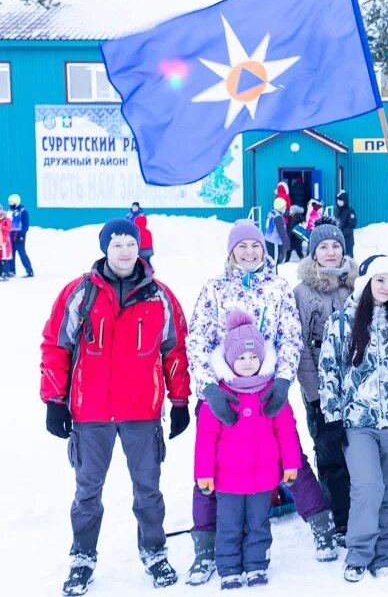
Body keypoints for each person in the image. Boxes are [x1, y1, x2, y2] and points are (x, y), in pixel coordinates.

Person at [40, 218, 190, 595]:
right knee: (87, 491)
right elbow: (55, 346)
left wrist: (179, 400)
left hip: (142, 411)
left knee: (148, 490)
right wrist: (55, 400)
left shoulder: (160, 297)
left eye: (131, 243)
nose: (125, 250)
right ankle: (82, 556)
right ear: (105, 248)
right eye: (117, 243)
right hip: (90, 413)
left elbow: (175, 352)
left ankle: (154, 551)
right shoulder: (80, 293)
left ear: (140, 247)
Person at [184, 220, 337, 586]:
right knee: (209, 470)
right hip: (224, 393)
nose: (250, 253)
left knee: (291, 458)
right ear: (231, 251)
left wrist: (283, 379)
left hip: (267, 390)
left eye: (255, 246)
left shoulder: (278, 288)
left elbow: (290, 336)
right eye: (243, 247)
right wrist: (209, 389)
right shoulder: (215, 289)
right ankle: (205, 548)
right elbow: (197, 341)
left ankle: (320, 524)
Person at [318, 255, 388, 582]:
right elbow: (328, 371)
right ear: (367, 282)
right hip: (357, 421)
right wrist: (333, 418)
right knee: (367, 487)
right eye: (380, 280)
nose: (385, 287)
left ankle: (383, 554)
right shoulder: (341, 321)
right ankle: (359, 553)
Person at [194, 310, 302, 590]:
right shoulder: (220, 395)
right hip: (227, 479)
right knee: (228, 525)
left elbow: (286, 431)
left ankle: (256, 565)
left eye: (253, 357)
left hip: (262, 478)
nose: (248, 362)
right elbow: (205, 439)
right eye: (241, 357)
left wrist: (291, 465)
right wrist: (203, 475)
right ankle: (228, 568)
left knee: (258, 522)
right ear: (230, 360)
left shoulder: (270, 391)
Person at [293, 217, 355, 548]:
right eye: (324, 247)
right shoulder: (302, 293)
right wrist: (314, 393)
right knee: (329, 451)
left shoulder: (356, 285)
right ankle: (338, 516)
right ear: (314, 254)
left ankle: (358, 510)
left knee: (356, 451)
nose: (331, 252)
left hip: (356, 386)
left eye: (336, 246)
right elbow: (299, 345)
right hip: (319, 387)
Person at [8, 193, 34, 277]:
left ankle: (29, 270)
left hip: (19, 235)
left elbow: (25, 225)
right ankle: (11, 271)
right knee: (11, 254)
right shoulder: (10, 212)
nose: (10, 203)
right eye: (9, 202)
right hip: (10, 235)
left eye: (11, 202)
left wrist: (22, 235)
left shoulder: (23, 211)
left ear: (16, 202)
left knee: (21, 253)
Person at [264, 198, 289, 265]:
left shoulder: (272, 213)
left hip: (268, 239)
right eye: (284, 206)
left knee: (271, 260)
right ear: (280, 207)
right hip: (274, 242)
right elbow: (281, 232)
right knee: (274, 261)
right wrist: (286, 243)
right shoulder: (278, 217)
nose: (285, 208)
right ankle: (274, 274)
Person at [335, 190, 357, 258]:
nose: (338, 202)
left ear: (344, 201)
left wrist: (342, 234)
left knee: (348, 259)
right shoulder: (338, 211)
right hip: (339, 240)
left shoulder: (350, 211)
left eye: (340, 200)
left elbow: (352, 226)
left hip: (347, 240)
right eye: (337, 200)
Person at [0, 207, 13, 280]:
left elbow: (9, 228)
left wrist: (1, 227)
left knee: (4, 258)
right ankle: (1, 273)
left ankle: (6, 273)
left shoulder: (6, 219)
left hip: (4, 242)